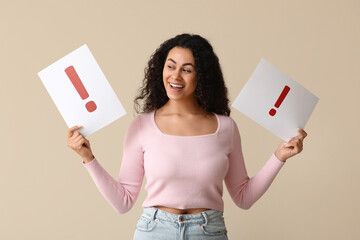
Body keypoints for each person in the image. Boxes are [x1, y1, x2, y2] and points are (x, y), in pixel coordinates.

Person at [67, 33, 307, 240]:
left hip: (209, 231)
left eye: (187, 69)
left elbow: (244, 197)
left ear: (202, 76)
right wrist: (88, 157)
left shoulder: (226, 128)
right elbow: (123, 202)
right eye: (170, 66)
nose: (176, 76)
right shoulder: (141, 126)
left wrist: (279, 157)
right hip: (154, 231)